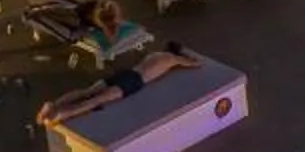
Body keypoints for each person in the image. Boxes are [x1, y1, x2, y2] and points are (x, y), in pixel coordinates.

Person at [37, 43, 200, 130]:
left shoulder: (155, 54)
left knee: (88, 91)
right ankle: (60, 115)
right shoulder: (173, 59)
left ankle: (54, 104)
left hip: (126, 73)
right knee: (95, 101)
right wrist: (185, 56)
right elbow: (196, 63)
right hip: (134, 81)